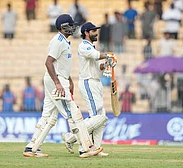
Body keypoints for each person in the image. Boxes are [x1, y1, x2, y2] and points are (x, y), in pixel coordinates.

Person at [23, 14, 103, 158]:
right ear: (63, 27)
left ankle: (32, 147)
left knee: (49, 116)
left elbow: (60, 65)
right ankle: (85, 148)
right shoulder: (58, 41)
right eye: (71, 25)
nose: (73, 27)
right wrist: (58, 83)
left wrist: (69, 80)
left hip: (59, 79)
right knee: (74, 113)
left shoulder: (64, 41)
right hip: (56, 81)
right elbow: (48, 62)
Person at [61, 22, 115, 157]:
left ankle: (95, 148)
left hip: (96, 82)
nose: (96, 33)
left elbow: (97, 67)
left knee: (101, 118)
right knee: (98, 116)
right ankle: (77, 141)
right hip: (88, 83)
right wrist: (109, 55)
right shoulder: (83, 46)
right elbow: (96, 55)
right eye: (93, 31)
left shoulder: (91, 47)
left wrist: (106, 64)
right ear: (86, 32)